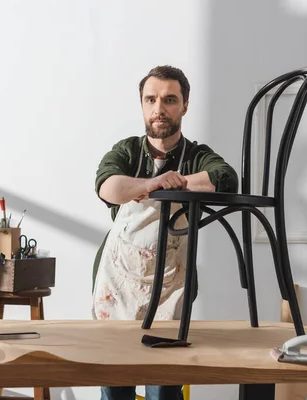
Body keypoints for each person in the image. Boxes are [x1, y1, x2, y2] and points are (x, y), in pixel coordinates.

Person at [92, 65, 239, 400]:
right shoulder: (127, 151)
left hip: (170, 288)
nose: (159, 108)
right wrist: (152, 184)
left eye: (170, 99)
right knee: (115, 391)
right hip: (117, 286)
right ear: (142, 105)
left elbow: (226, 178)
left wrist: (180, 182)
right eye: (151, 99)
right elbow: (107, 186)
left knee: (164, 391)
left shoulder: (197, 156)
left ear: (184, 106)